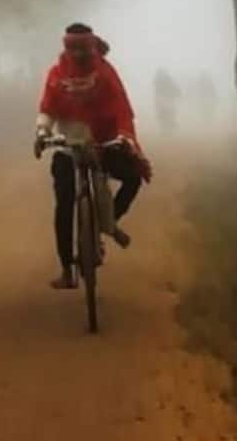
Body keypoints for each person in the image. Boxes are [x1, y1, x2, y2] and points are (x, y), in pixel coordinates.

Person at [33, 22, 152, 291]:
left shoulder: (105, 73)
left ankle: (104, 223)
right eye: (72, 48)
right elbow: (48, 108)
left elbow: (121, 107)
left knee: (133, 179)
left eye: (82, 49)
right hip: (67, 146)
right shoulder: (56, 74)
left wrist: (124, 136)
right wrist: (42, 131)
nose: (76, 55)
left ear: (91, 46)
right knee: (64, 204)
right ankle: (67, 269)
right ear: (66, 47)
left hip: (104, 145)